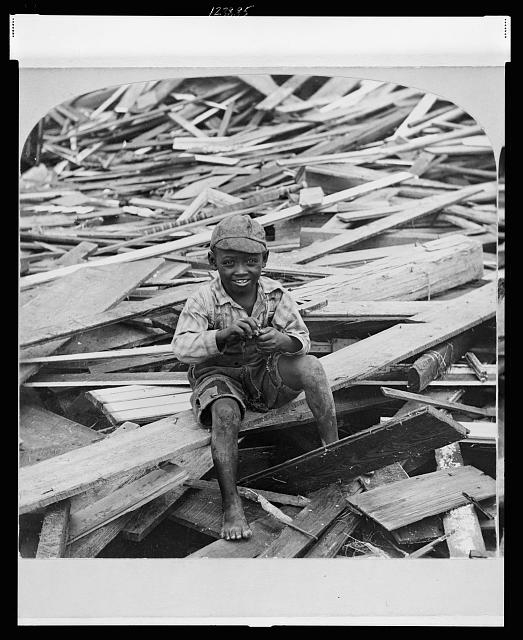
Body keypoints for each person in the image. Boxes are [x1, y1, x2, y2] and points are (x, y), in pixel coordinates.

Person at [171, 214, 339, 541]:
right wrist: (222, 336)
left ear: (264, 260)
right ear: (212, 261)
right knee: (225, 414)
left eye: (250, 262)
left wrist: (282, 341)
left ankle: (333, 454)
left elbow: (301, 337)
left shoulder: (275, 295)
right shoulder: (203, 299)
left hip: (262, 375)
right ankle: (231, 503)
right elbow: (181, 348)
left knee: (312, 366)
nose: (240, 271)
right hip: (219, 376)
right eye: (229, 262)